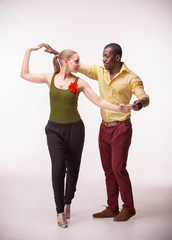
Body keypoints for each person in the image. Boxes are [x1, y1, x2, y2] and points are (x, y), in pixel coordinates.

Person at [20, 45, 132, 228]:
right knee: (58, 169)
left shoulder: (80, 83)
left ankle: (68, 201)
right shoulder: (50, 78)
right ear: (66, 62)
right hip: (54, 130)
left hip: (75, 130)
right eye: (77, 61)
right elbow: (24, 74)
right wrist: (28, 51)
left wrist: (118, 107)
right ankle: (59, 210)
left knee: (73, 169)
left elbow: (98, 100)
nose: (80, 64)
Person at [41, 42, 150, 222]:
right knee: (108, 170)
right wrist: (58, 53)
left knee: (118, 169)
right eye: (103, 56)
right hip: (104, 127)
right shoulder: (100, 71)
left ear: (117, 58)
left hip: (121, 127)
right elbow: (77, 66)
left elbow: (143, 95)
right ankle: (112, 207)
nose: (103, 59)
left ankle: (129, 208)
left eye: (106, 56)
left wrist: (139, 104)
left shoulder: (131, 77)